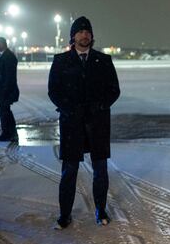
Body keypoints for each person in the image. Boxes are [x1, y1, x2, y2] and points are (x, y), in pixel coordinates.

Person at [47, 16, 120, 229]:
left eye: (87, 31)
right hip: (72, 124)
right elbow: (54, 91)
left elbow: (114, 90)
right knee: (69, 171)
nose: (84, 34)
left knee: (100, 170)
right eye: (80, 31)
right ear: (73, 36)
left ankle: (100, 209)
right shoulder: (61, 61)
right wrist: (69, 108)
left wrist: (100, 105)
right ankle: (65, 214)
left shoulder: (103, 60)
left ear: (92, 35)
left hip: (98, 124)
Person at [0, 36, 19, 141]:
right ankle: (10, 132)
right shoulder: (1, 55)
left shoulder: (9, 56)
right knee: (5, 111)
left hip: (5, 91)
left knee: (4, 112)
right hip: (1, 90)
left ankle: (7, 133)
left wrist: (5, 90)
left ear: (3, 44)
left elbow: (9, 76)